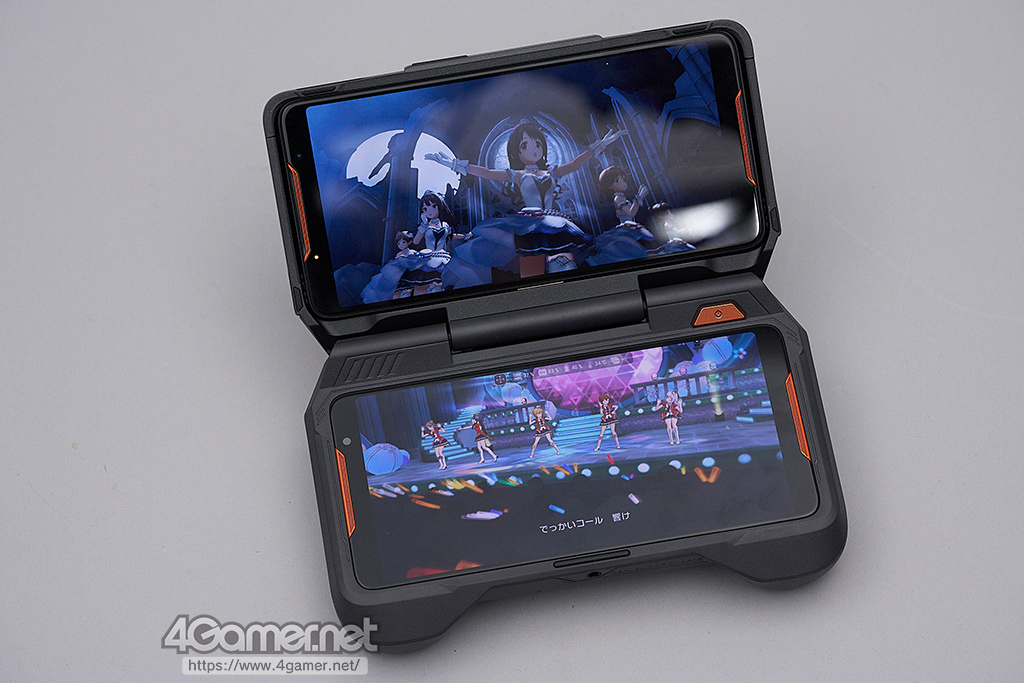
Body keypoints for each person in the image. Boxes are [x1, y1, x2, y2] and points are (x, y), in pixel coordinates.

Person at [426, 121, 622, 283]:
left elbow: (574, 164)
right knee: (531, 268)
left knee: (563, 265)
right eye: (525, 145)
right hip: (529, 223)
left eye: (538, 144)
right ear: (515, 153)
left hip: (557, 223)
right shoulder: (517, 175)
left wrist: (600, 145)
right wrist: (453, 164)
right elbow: (487, 172)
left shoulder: (552, 172)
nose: (534, 149)